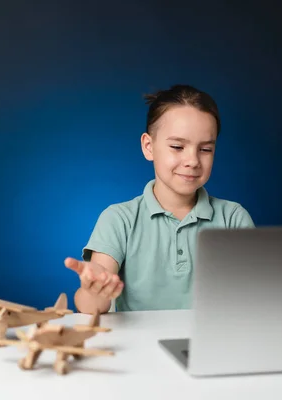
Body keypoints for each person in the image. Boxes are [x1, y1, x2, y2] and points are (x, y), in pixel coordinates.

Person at [64, 84, 255, 314]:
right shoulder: (119, 219)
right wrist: (95, 289)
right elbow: (92, 306)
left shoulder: (233, 218)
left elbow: (253, 299)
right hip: (136, 347)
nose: (192, 160)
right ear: (148, 146)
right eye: (177, 146)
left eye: (205, 149)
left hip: (213, 344)